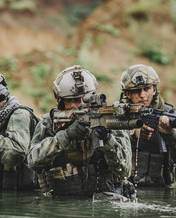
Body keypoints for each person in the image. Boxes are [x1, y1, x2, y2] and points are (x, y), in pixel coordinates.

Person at [27, 65, 134, 198]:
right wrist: (65, 136)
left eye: (86, 98)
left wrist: (108, 140)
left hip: (105, 202)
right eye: (73, 100)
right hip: (61, 205)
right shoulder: (48, 123)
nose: (81, 104)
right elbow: (33, 161)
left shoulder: (110, 120)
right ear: (61, 102)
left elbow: (125, 172)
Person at [120, 64, 176, 188]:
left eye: (146, 89)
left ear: (154, 89)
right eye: (137, 90)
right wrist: (133, 134)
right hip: (126, 189)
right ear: (127, 93)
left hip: (162, 190)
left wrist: (171, 134)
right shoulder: (120, 115)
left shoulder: (169, 115)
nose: (142, 95)